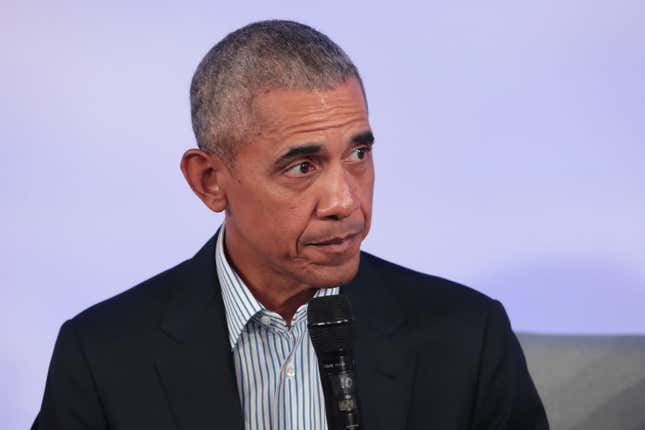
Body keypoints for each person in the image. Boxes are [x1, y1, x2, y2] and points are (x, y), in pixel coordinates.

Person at [32, 20, 548, 430]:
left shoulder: (467, 338)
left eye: (359, 153)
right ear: (210, 180)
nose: (345, 201)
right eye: (303, 167)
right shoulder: (104, 357)